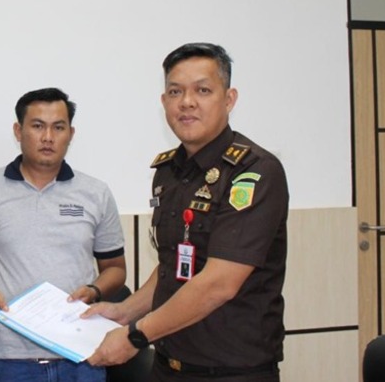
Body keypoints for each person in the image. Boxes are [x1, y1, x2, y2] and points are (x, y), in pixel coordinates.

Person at [83, 43, 289, 382]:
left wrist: (136, 336)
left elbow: (219, 284)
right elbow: (174, 265)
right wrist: (124, 312)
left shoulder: (254, 171)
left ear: (229, 99)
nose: (187, 102)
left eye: (202, 90)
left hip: (231, 373)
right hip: (168, 365)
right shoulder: (169, 172)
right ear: (164, 101)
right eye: (175, 91)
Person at [0, 87, 127, 382]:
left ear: (71, 134)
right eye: (37, 126)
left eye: (58, 127)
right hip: (8, 357)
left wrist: (94, 290)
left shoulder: (96, 193)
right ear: (18, 130)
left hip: (81, 354)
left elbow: (115, 269)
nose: (48, 137)